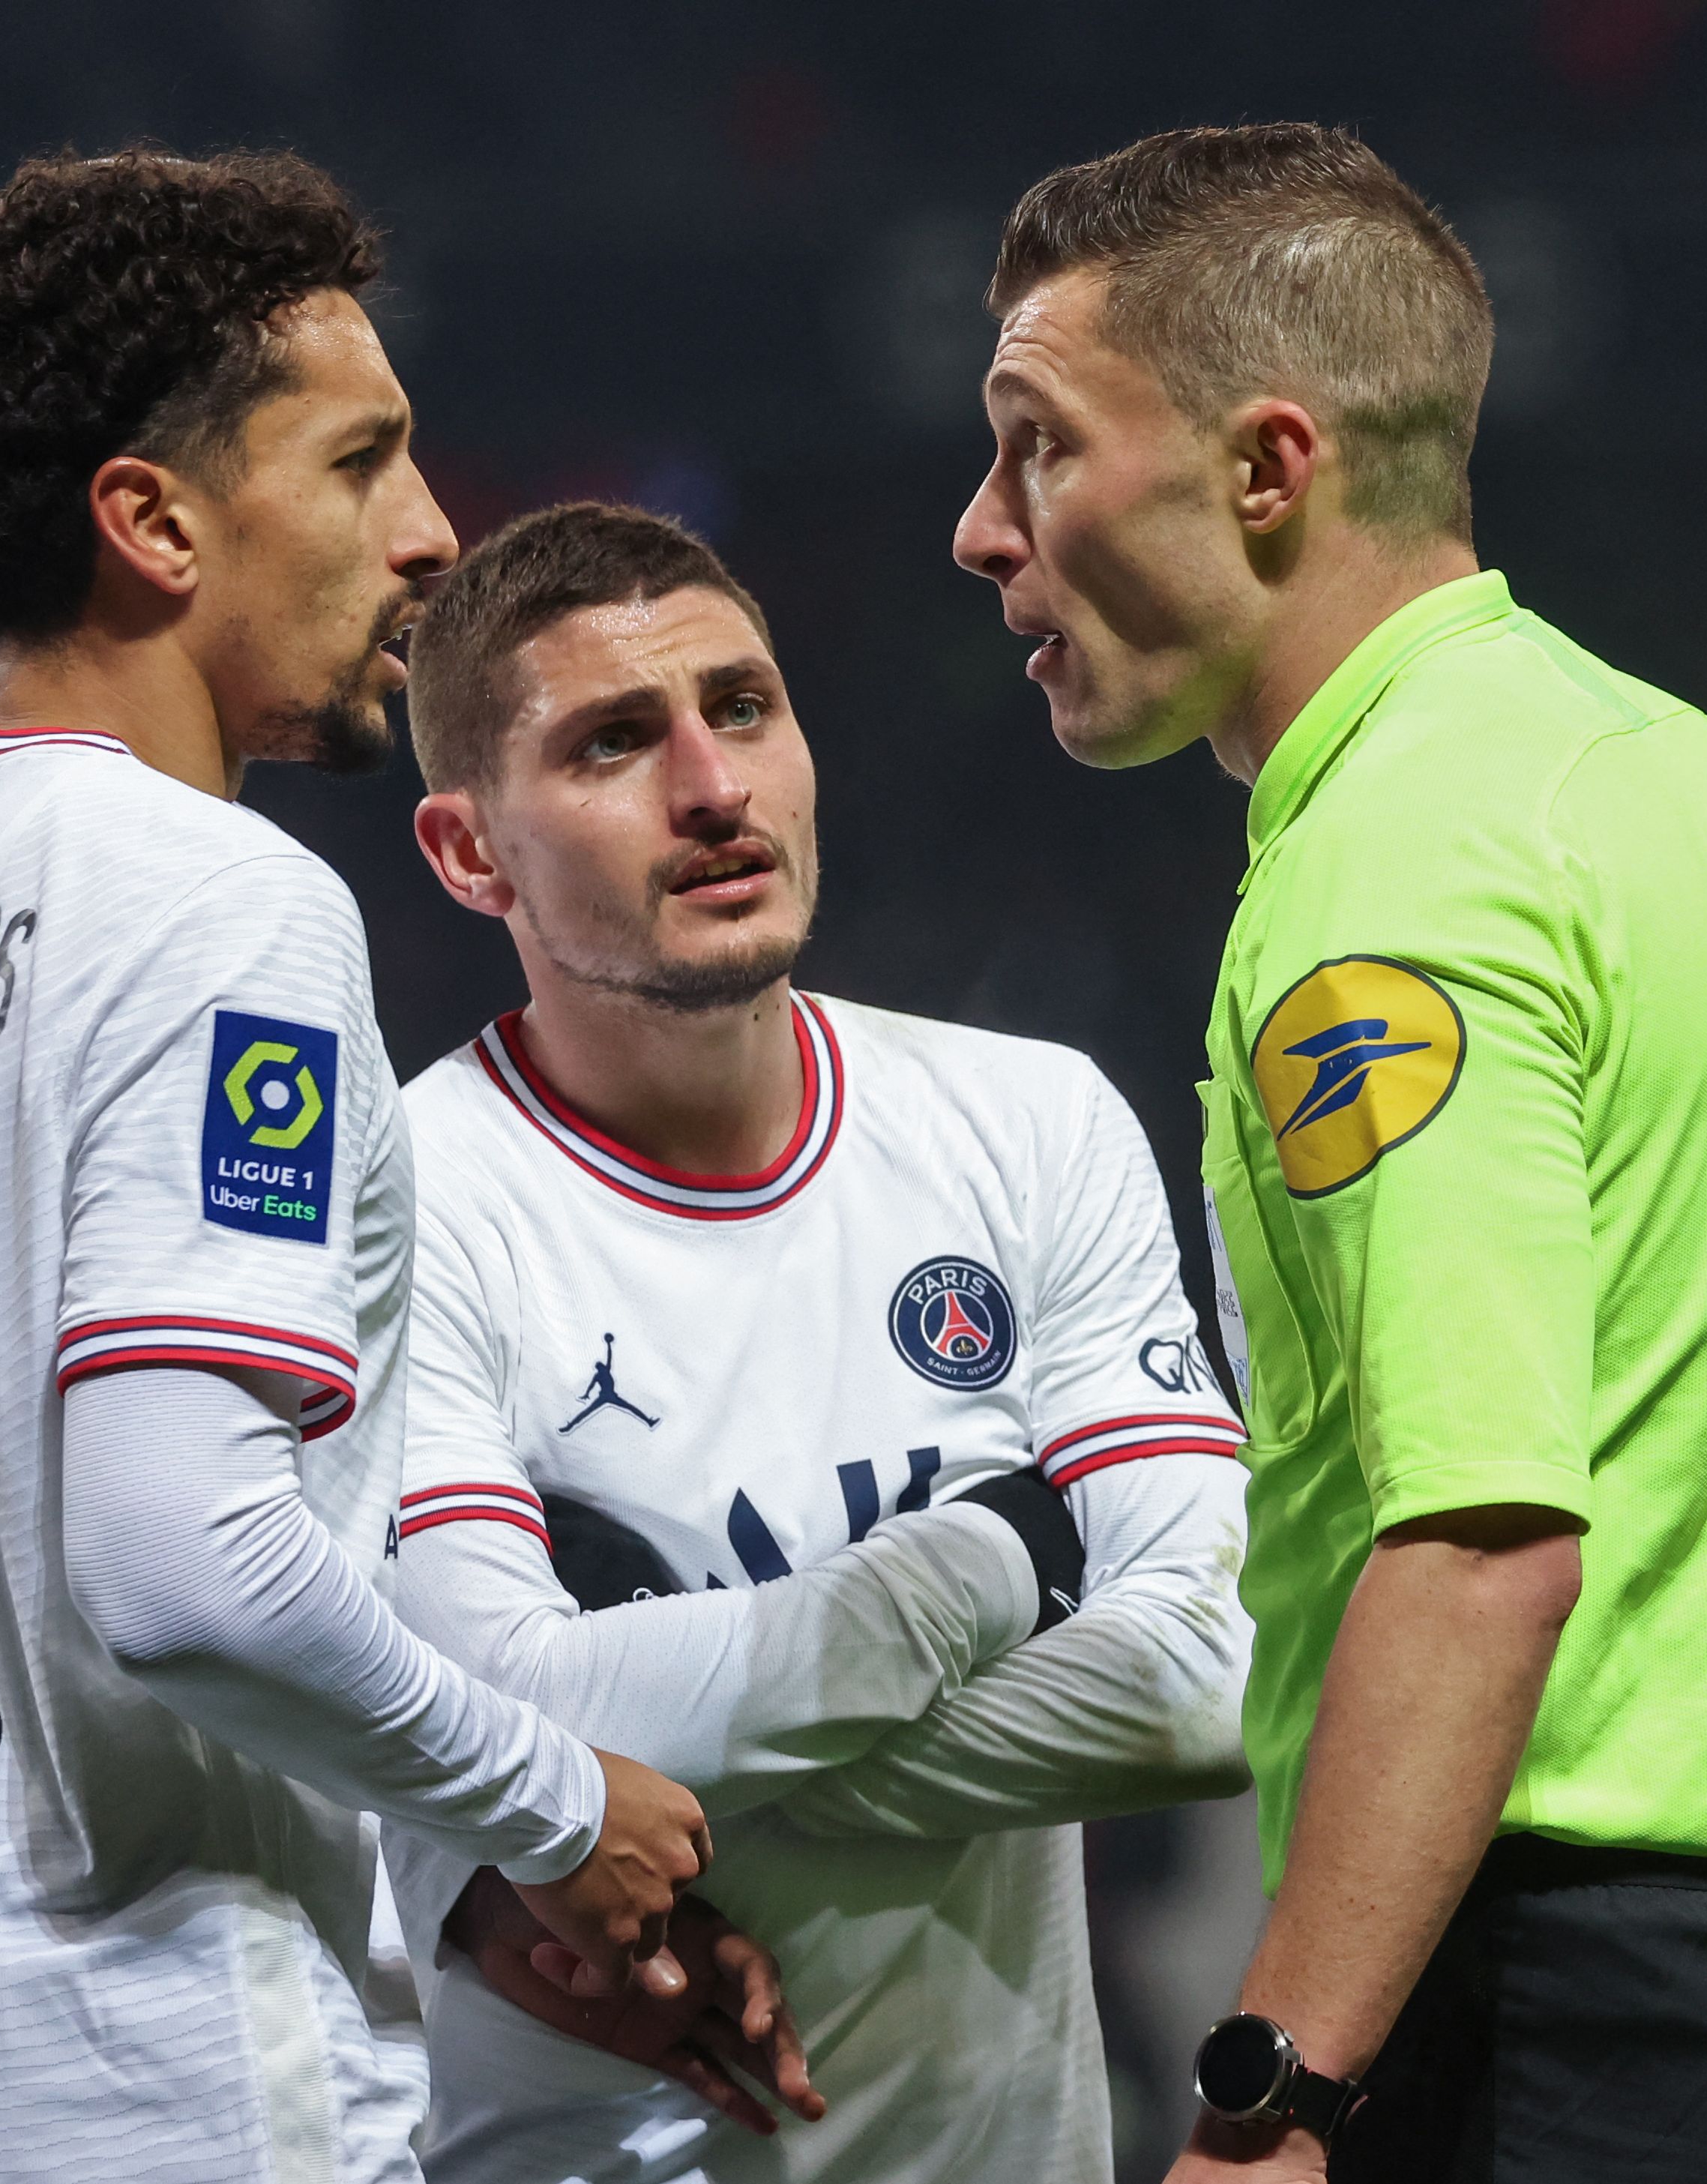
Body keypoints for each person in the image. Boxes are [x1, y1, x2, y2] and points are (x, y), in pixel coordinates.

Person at [0, 153, 712, 2182]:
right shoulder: (221, 914)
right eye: (362, 462)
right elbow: (185, 1563)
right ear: (153, 521)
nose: (435, 533)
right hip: (148, 2089)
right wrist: (551, 1807)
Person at [951, 125, 1707, 2182]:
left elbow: (1483, 1539)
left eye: (1036, 444)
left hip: (1529, 2039)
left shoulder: (1382, 881)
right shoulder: (1698, 794)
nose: (984, 531)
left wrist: (1280, 2089)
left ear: (1264, 468)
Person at [388, 500, 1256, 2182]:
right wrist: (979, 1573)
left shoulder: (1028, 1120)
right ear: (469, 850)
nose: (712, 787)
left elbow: (1210, 1673)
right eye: (614, 741)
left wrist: (610, 1802)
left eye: (743, 706)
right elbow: (499, 1700)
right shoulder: (403, 1201)